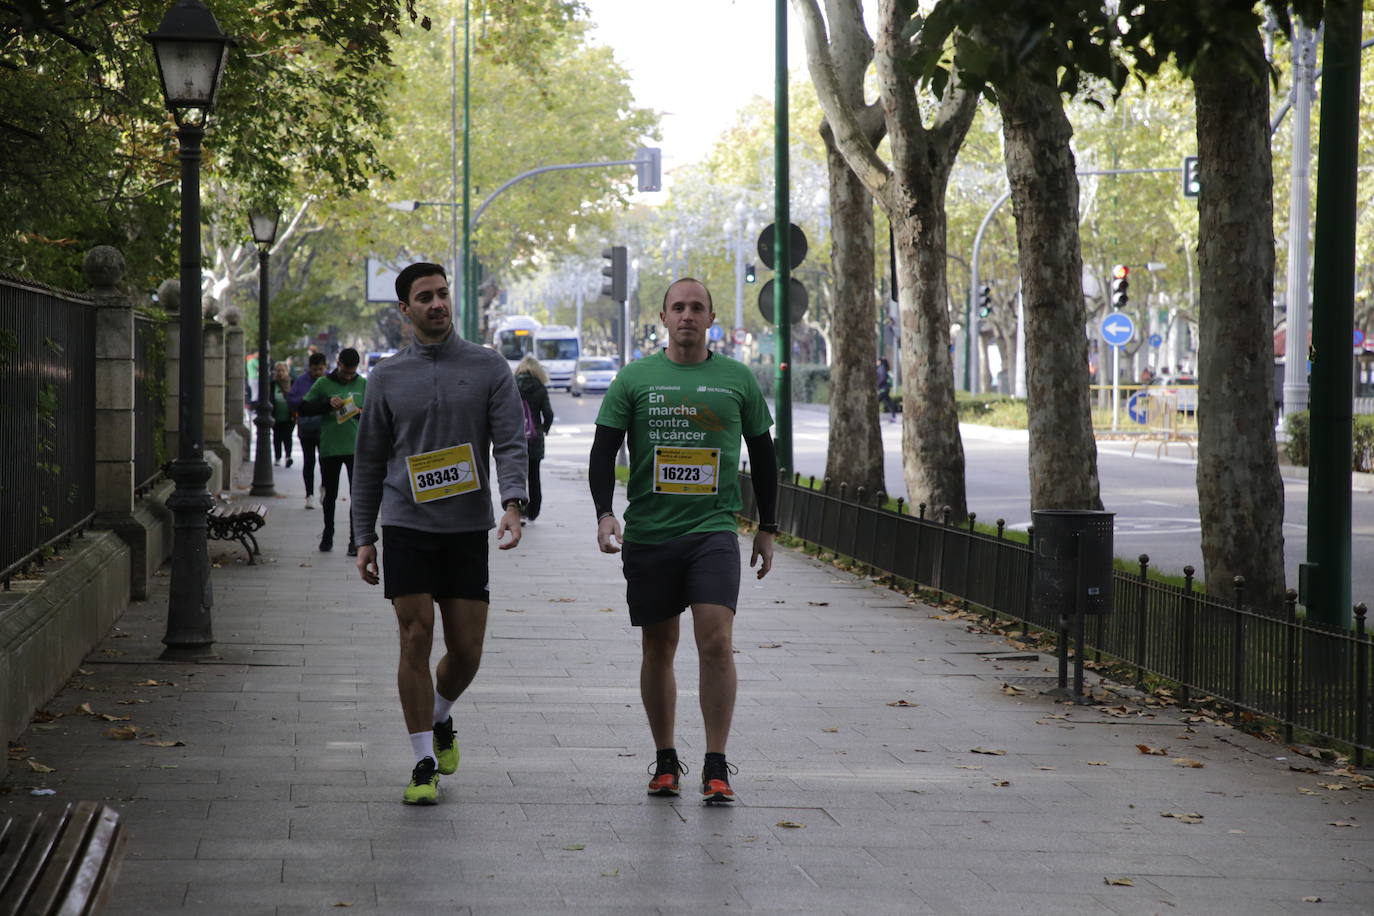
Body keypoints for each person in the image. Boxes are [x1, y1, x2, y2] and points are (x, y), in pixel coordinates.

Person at [589, 277, 778, 805]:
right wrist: (605, 513)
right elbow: (603, 453)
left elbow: (763, 457)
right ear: (664, 318)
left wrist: (767, 526)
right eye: (679, 308)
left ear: (711, 318)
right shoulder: (635, 378)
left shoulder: (735, 378)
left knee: (716, 639)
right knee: (659, 646)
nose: (688, 315)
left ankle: (716, 763)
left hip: (713, 531)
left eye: (697, 308)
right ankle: (666, 758)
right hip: (650, 533)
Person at [352, 262, 528, 806]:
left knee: (467, 651)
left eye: (442, 294)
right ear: (404, 310)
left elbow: (509, 440)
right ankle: (422, 762)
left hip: (464, 527)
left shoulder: (489, 366)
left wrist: (513, 504)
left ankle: (440, 716)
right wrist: (364, 536)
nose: (437, 304)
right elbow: (369, 460)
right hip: (406, 523)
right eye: (424, 297)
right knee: (414, 635)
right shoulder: (385, 377)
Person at [298, 347, 366, 554]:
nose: (348, 377)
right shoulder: (323, 383)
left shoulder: (364, 384)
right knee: (330, 495)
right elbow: (303, 408)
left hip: (356, 448)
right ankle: (328, 535)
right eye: (345, 372)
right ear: (338, 364)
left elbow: (374, 414)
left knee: (358, 495)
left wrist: (358, 413)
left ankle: (355, 540)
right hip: (330, 447)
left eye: (352, 373)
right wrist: (327, 404)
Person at [514, 354, 555, 524]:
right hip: (534, 437)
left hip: (515, 437)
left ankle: (519, 512)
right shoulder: (540, 388)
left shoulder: (512, 385)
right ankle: (533, 512)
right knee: (534, 476)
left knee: (517, 476)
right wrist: (543, 429)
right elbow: (549, 414)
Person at [288, 352, 327, 509]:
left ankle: (325, 487)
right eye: (314, 369)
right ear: (309, 368)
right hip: (307, 429)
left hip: (326, 429)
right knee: (309, 462)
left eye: (320, 369)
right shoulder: (301, 381)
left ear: (325, 367)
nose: (317, 372)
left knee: (325, 462)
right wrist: (305, 400)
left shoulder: (329, 380)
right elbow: (291, 400)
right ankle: (309, 495)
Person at [270, 361, 295, 467]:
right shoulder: (272, 384)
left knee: (288, 436)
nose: (280, 373)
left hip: (289, 416)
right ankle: (278, 457)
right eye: (278, 370)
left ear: (287, 372)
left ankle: (288, 456)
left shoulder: (292, 383)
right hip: (275, 416)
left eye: (283, 370)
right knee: (277, 437)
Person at [876, 357, 897, 422]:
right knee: (888, 402)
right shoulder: (884, 368)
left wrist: (877, 385)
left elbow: (882, 378)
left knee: (876, 402)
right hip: (885, 388)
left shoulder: (881, 368)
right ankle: (893, 416)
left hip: (883, 389)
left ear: (880, 361)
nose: (876, 362)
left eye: (877, 361)